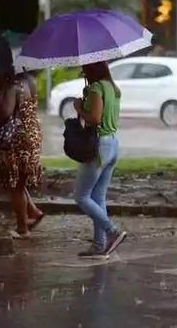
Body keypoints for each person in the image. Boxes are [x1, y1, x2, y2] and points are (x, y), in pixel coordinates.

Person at [73, 61, 127, 258]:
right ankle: (99, 245)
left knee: (81, 196)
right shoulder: (112, 88)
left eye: (84, 69)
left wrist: (79, 107)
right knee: (98, 197)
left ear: (91, 70)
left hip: (100, 146)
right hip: (112, 143)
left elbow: (95, 118)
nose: (83, 72)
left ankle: (112, 231)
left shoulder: (97, 87)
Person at [0, 69, 44, 239]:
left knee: (14, 185)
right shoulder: (31, 81)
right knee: (20, 180)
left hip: (17, 138)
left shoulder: (13, 86)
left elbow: (6, 112)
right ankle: (33, 212)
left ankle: (22, 228)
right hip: (33, 132)